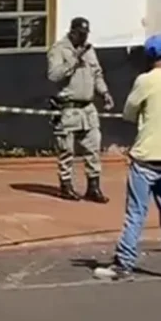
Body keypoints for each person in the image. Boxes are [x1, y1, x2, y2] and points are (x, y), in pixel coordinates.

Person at [94, 34, 161, 281]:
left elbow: (129, 111)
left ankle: (124, 264)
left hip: (146, 157)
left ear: (148, 57)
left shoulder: (145, 81)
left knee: (136, 213)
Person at [46, 17, 113, 202]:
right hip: (68, 108)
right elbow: (53, 75)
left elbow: (97, 73)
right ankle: (66, 186)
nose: (84, 38)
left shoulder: (90, 51)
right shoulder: (59, 49)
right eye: (81, 35)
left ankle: (93, 186)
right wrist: (74, 61)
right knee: (66, 150)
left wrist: (104, 92)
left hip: (88, 109)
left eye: (86, 35)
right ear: (73, 32)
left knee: (93, 147)